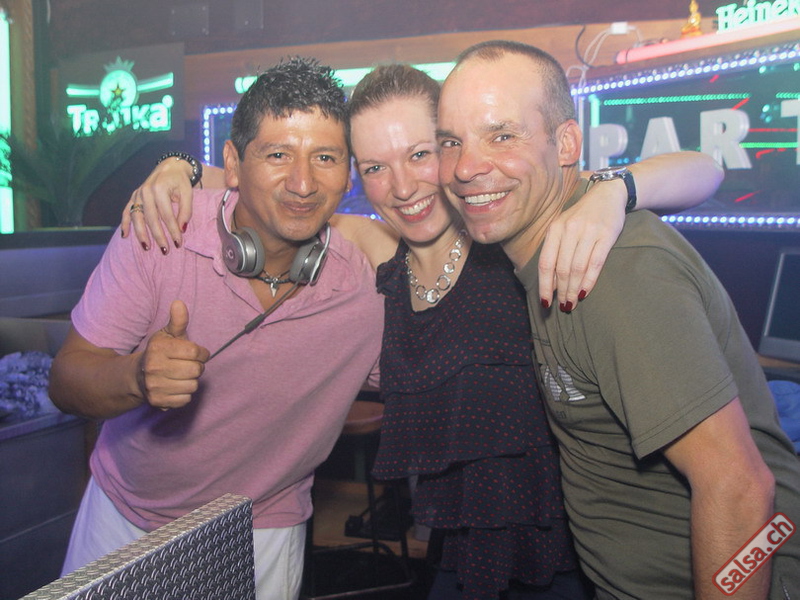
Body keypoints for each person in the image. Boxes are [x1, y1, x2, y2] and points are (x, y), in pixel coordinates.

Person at [124, 60, 724, 598]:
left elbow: (705, 169)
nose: (404, 187)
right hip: (455, 555)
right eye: (376, 167)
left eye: (420, 154)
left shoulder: (510, 233)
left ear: (453, 148)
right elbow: (259, 181)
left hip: (562, 559)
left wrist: (613, 191)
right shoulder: (376, 249)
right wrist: (176, 167)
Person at [436, 39, 800, 599]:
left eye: (502, 136)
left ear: (565, 143)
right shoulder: (544, 245)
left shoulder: (615, 273)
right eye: (451, 142)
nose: (466, 167)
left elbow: (740, 486)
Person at [48, 57, 386, 600]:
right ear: (232, 163)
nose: (303, 182)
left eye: (324, 157)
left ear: (347, 173)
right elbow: (66, 379)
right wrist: (135, 376)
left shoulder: (364, 290)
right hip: (125, 515)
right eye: (277, 154)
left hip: (263, 527)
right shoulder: (161, 231)